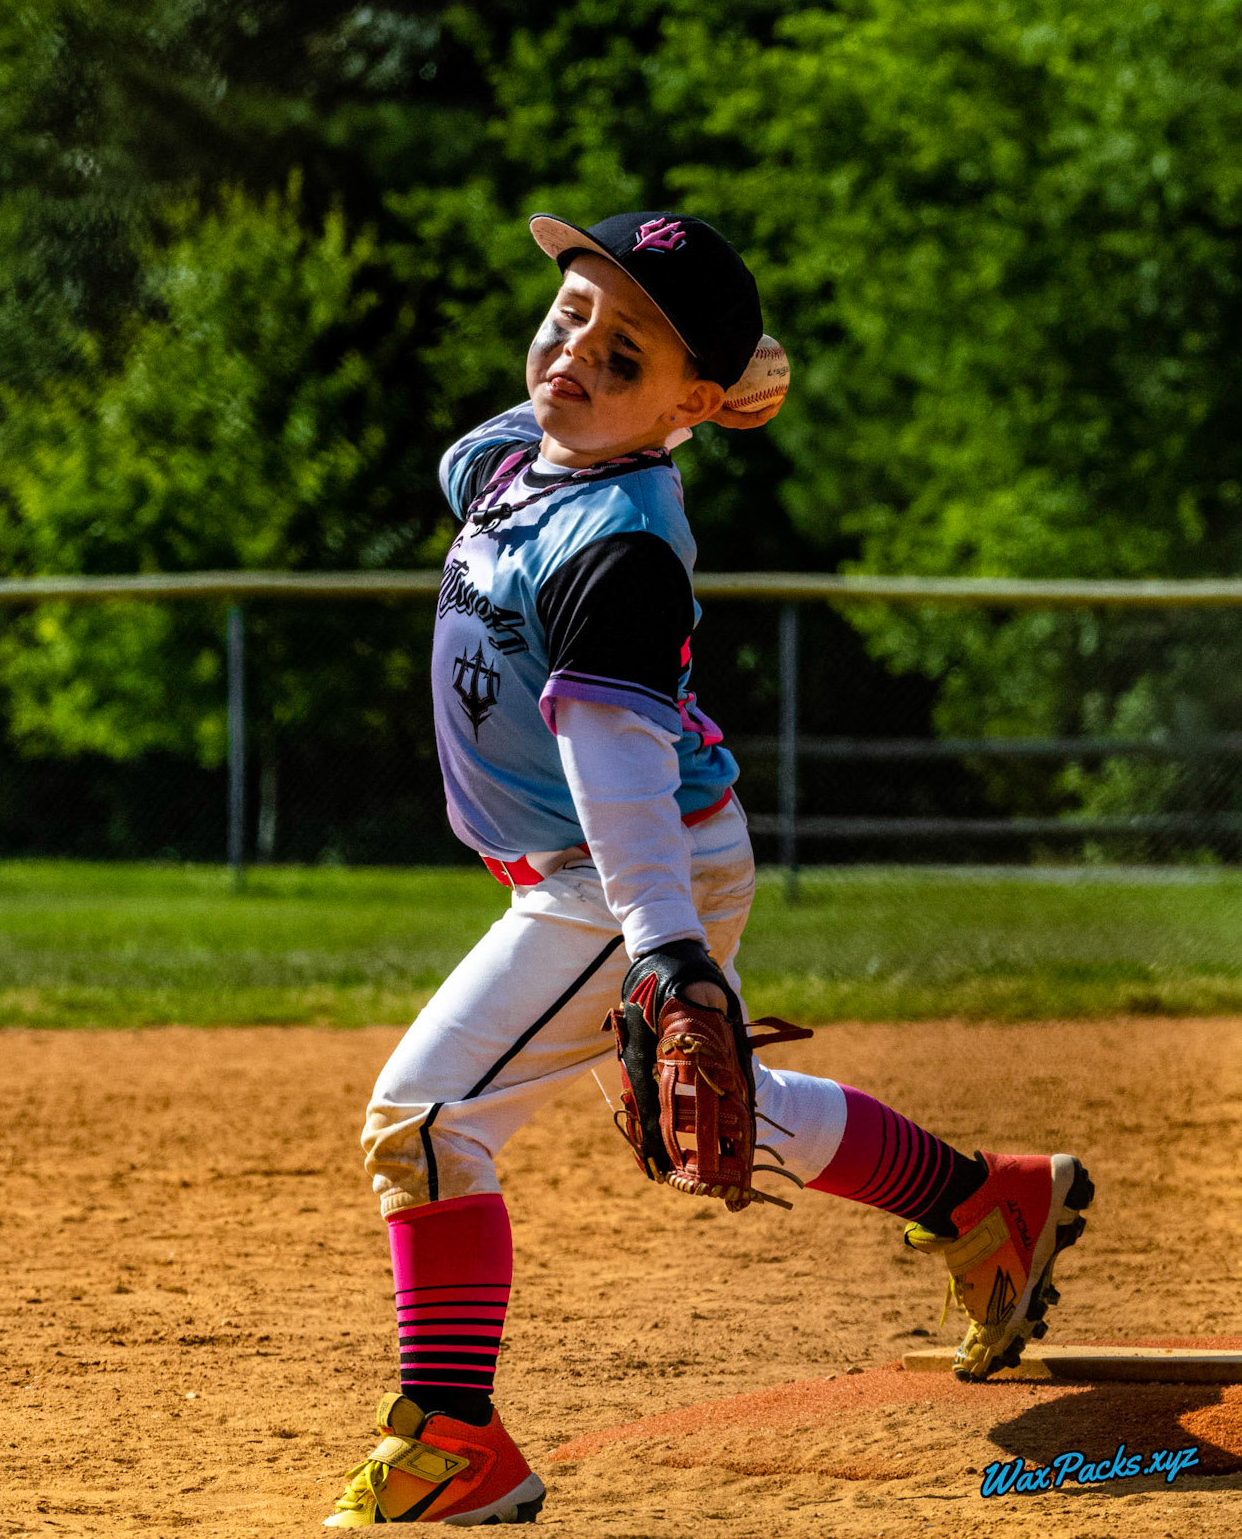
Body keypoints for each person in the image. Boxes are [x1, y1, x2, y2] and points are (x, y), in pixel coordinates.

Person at [324, 211, 1093, 1527]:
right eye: (570, 312)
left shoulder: (620, 550)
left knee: (429, 1121)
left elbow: (615, 756)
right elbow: (506, 443)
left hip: (621, 867)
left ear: (682, 405)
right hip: (611, 863)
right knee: (700, 1113)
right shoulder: (523, 455)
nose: (574, 351)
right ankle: (983, 1203)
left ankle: (457, 1438)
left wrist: (667, 953)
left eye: (622, 350)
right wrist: (698, 377)